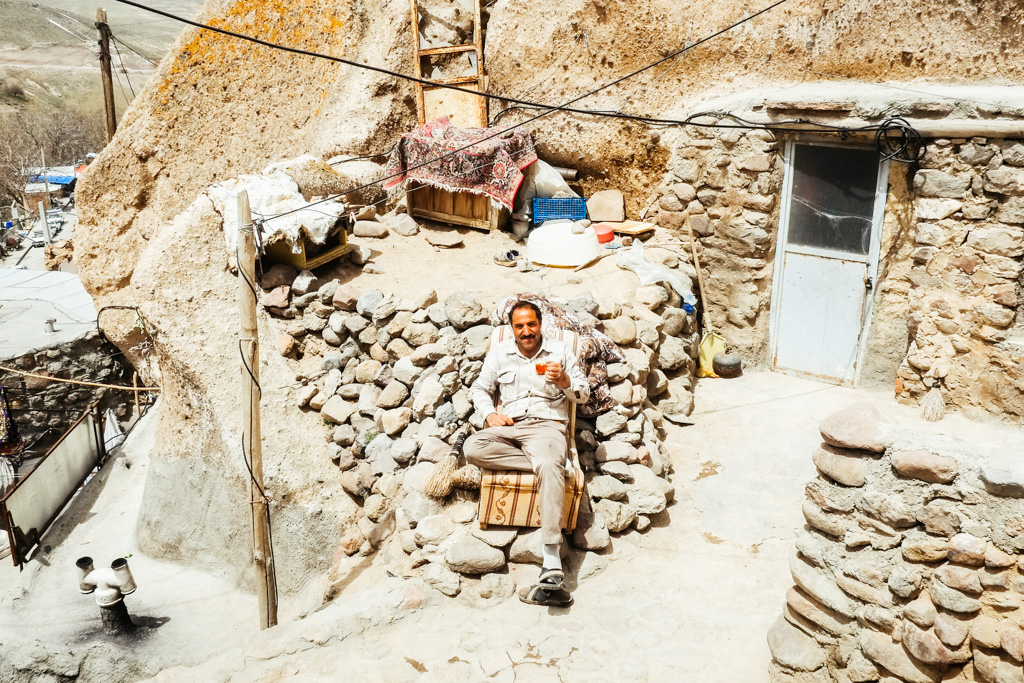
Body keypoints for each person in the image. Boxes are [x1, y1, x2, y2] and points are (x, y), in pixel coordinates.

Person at [465, 300, 589, 606]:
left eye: (531, 324)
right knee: (473, 447)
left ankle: (551, 559)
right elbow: (479, 389)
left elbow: (583, 393)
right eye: (519, 326)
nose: (526, 331)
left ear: (540, 324)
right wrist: (489, 416)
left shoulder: (560, 352)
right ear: (512, 328)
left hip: (547, 427)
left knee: (547, 462)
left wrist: (565, 382)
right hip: (509, 427)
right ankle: (552, 467)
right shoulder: (500, 353)